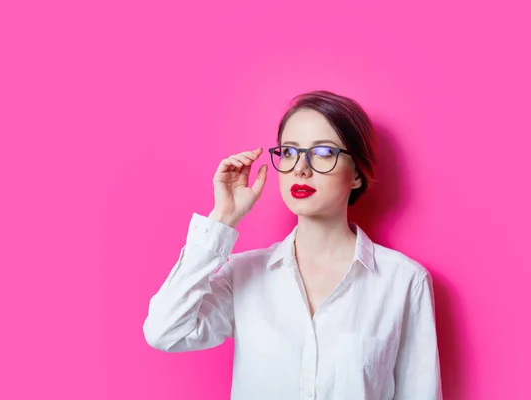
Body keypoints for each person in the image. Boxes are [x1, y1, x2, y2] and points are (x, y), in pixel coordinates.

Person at [143, 90, 443, 399]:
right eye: (289, 152)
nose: (300, 168)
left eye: (324, 152)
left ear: (356, 174)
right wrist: (223, 218)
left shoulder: (403, 281)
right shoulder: (244, 273)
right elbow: (165, 331)